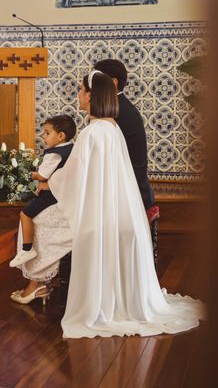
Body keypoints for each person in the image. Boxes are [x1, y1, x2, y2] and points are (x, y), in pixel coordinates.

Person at [42, 70, 204, 338]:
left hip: (102, 215)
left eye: (81, 90)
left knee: (43, 220)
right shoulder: (112, 128)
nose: (78, 95)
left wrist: (50, 180)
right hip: (122, 212)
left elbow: (75, 178)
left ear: (92, 95)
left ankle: (37, 285)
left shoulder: (92, 132)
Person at [94, 59, 159, 226]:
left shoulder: (120, 111)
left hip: (132, 193)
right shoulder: (117, 107)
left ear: (113, 82)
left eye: (97, 80)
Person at [9, 115, 76, 272]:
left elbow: (43, 176)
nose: (43, 136)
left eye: (47, 133)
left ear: (61, 136)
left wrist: (31, 174)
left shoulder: (53, 154)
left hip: (51, 194)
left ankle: (27, 249)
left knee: (25, 214)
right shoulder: (71, 148)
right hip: (64, 192)